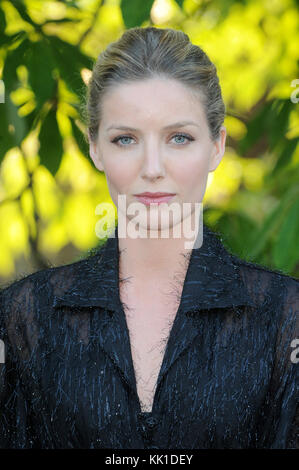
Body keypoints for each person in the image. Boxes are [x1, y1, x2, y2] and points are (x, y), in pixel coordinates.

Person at [0, 26, 298, 449]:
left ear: (217, 146)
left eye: (179, 138)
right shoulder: (20, 319)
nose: (153, 167)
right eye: (126, 139)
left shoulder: (286, 322)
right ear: (95, 148)